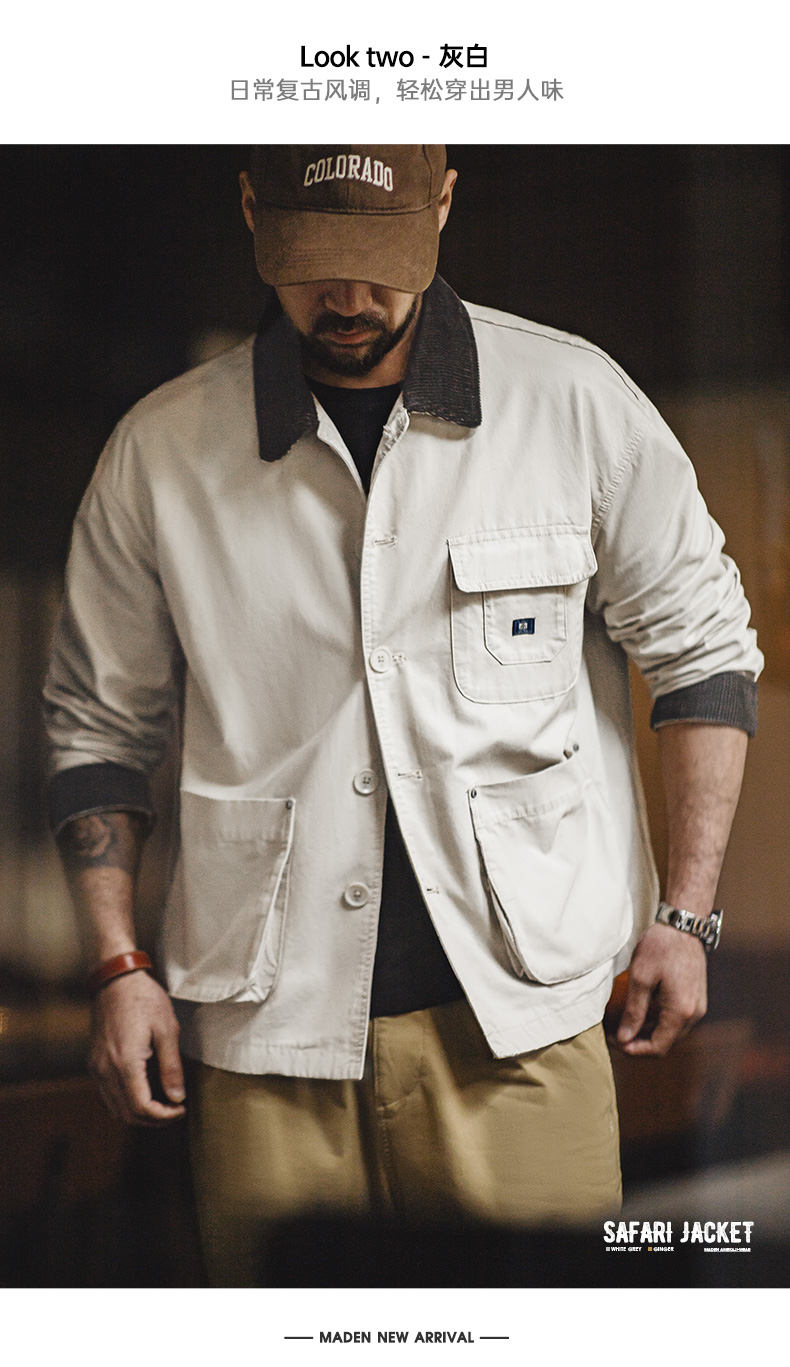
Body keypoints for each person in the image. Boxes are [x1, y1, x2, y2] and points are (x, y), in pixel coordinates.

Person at [44, 144, 762, 1285]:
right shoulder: (160, 452)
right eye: (312, 260)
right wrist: (117, 964)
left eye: (379, 259)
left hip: (522, 1029)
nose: (347, 295)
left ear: (444, 203)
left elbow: (706, 654)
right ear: (250, 210)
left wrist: (687, 914)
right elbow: (96, 730)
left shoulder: (574, 402)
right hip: (264, 1040)